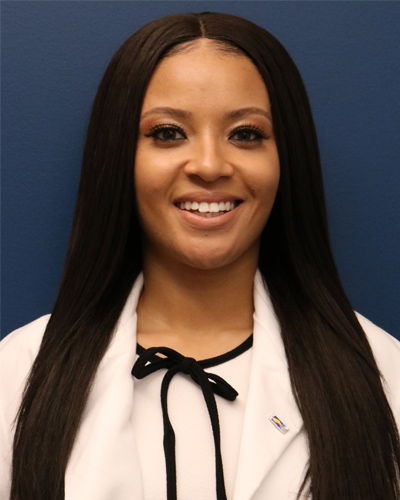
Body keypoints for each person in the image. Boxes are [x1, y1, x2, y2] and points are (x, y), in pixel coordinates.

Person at [0, 11, 399, 500]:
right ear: (118, 157)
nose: (209, 165)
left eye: (246, 134)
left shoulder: (386, 377)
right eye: (168, 133)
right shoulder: (16, 377)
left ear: (285, 159)